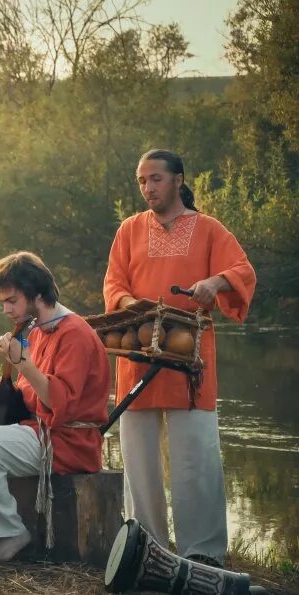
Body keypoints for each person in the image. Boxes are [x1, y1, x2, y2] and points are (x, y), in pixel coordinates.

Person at [103, 149, 256, 566]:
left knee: (197, 460)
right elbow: (113, 282)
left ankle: (203, 554)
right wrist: (135, 307)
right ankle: (147, 549)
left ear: (177, 180)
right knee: (139, 462)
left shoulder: (208, 229)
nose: (147, 188)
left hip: (192, 362)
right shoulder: (129, 230)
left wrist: (215, 281)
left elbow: (243, 270)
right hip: (137, 354)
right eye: (141, 181)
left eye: (155, 179)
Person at [0, 252, 110, 562]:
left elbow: (60, 405)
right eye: (2, 302)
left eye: (12, 300)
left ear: (37, 293)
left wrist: (21, 362)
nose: (6, 309)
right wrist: (11, 392)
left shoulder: (74, 334)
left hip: (68, 443)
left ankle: (11, 530)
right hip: (39, 430)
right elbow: (36, 395)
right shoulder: (39, 330)